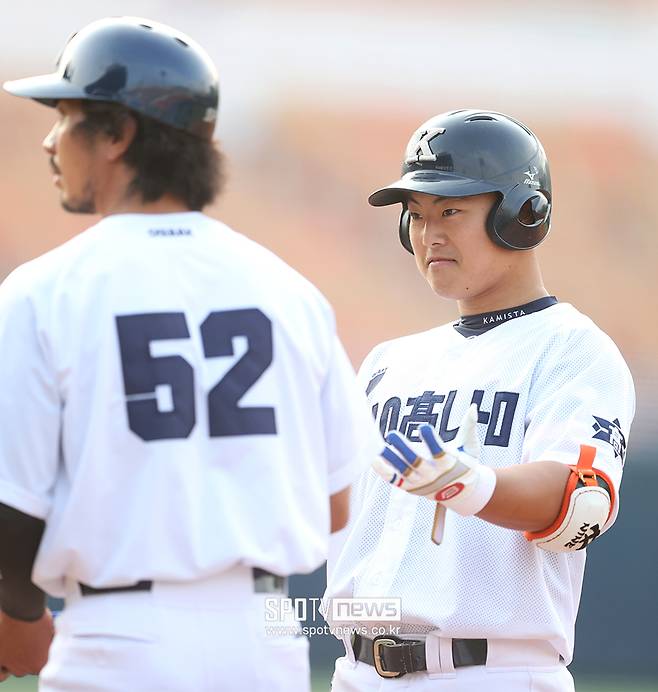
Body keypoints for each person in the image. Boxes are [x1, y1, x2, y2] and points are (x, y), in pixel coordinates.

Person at [0, 16, 381, 691]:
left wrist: (20, 629)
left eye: (66, 115)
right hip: (266, 643)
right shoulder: (291, 292)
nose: (51, 139)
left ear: (118, 133)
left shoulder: (42, 292)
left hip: (119, 639)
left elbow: (10, 515)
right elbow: (336, 505)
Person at [324, 109, 635, 691]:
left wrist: (464, 482)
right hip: (354, 671)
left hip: (490, 672)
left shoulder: (573, 350)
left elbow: (578, 509)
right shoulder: (388, 362)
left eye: (451, 211)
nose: (428, 234)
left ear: (524, 214)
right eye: (415, 215)